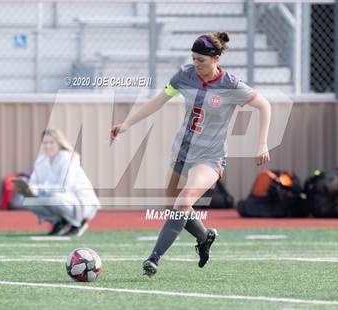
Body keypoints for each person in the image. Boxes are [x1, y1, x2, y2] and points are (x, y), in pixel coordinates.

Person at [110, 32, 271, 276]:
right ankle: (205, 236)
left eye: (201, 60)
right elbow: (157, 102)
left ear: (216, 58)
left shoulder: (231, 85)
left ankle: (154, 258)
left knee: (183, 201)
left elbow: (264, 105)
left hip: (210, 158)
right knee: (172, 207)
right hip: (181, 152)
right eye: (193, 59)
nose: (196, 64)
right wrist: (127, 124)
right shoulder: (185, 75)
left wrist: (262, 144)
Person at [19, 129, 101, 236]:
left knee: (55, 198)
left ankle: (79, 222)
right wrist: (27, 189)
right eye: (45, 143)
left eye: (51, 142)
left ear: (59, 143)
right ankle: (60, 221)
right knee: (27, 201)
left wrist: (38, 189)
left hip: (81, 202)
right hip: (58, 198)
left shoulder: (68, 158)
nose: (48, 146)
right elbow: (34, 182)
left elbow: (64, 187)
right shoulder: (41, 160)